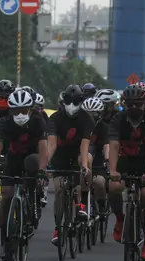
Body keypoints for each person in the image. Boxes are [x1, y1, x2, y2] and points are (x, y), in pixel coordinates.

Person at [0, 89, 48, 260]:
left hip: (33, 157)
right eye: (16, 111)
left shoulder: (38, 121)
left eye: (24, 111)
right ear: (10, 111)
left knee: (31, 165)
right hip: (13, 158)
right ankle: (6, 238)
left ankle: (32, 200)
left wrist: (43, 171)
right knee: (6, 194)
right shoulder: (4, 122)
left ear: (30, 109)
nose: (20, 114)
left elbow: (44, 148)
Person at [108, 84, 145, 261]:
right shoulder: (118, 119)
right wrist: (113, 170)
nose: (134, 108)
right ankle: (120, 219)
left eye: (138, 104)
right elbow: (114, 145)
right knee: (114, 187)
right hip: (126, 161)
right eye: (130, 105)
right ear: (124, 104)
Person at [47, 84, 94, 245]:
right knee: (60, 189)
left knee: (85, 162)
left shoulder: (87, 119)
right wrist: (45, 165)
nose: (72, 105)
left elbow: (84, 144)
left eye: (76, 101)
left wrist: (84, 166)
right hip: (60, 155)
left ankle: (81, 205)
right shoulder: (54, 118)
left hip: (77, 154)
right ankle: (57, 227)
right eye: (69, 101)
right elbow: (51, 144)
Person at [81, 97, 109, 212]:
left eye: (94, 114)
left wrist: (107, 159)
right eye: (87, 114)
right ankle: (81, 209)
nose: (91, 117)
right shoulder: (79, 126)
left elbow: (107, 145)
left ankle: (102, 205)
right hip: (82, 163)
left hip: (99, 163)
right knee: (77, 187)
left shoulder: (104, 127)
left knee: (99, 182)